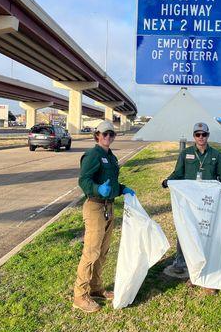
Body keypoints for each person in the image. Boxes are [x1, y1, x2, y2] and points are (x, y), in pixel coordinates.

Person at [162, 122, 221, 295]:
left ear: (208, 135)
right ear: (194, 136)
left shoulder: (217, 155)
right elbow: (178, 173)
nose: (201, 138)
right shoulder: (185, 154)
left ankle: (209, 276)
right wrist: (168, 181)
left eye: (204, 134)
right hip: (190, 204)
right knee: (187, 234)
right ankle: (189, 270)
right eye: (197, 135)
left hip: (208, 204)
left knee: (207, 236)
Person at [73, 120, 135, 313]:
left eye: (111, 134)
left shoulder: (112, 157)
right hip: (95, 207)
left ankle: (97, 288)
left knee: (103, 251)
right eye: (105, 133)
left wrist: (123, 189)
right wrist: (97, 188)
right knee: (91, 252)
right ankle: (80, 296)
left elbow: (113, 183)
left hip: (109, 207)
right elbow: (83, 180)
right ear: (97, 135)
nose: (108, 137)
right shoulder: (93, 155)